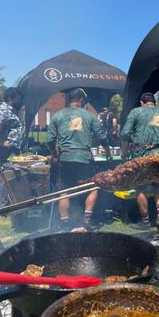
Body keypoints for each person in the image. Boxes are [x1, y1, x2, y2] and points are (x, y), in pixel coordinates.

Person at [47, 88, 111, 230]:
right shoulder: (90, 116)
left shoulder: (57, 115)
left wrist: (54, 153)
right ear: (81, 100)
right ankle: (87, 220)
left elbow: (50, 139)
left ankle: (65, 222)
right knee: (92, 188)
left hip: (65, 158)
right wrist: (107, 152)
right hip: (84, 158)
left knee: (64, 191)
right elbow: (101, 137)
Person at [120, 92, 159, 230]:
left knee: (140, 187)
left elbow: (125, 133)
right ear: (154, 102)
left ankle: (146, 221)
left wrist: (124, 154)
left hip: (141, 155)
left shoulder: (136, 112)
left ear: (142, 102)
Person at [0, 87, 25, 163]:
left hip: (13, 148)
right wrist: (2, 142)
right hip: (7, 149)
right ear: (10, 99)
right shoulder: (3, 110)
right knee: (10, 172)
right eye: (18, 99)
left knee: (15, 172)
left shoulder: (11, 110)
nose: (20, 101)